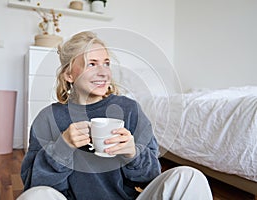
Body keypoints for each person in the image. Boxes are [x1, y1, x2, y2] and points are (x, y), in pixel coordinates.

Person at [18, 31, 213, 200]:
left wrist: (133, 154)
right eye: (91, 64)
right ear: (69, 75)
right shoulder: (48, 118)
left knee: (189, 177)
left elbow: (151, 175)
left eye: (106, 63)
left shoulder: (129, 109)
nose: (103, 72)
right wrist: (62, 148)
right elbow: (33, 184)